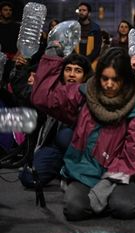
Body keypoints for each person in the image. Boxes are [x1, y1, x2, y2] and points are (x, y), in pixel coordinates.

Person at [31, 47, 135, 221]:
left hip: (118, 176)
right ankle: (93, 196)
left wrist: (105, 185)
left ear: (125, 80)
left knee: (125, 209)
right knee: (74, 210)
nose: (109, 84)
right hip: (83, 172)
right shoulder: (82, 96)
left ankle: (119, 195)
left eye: (115, 79)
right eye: (104, 78)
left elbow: (133, 155)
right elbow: (42, 98)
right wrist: (51, 57)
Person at [14, 53, 93, 188]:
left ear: (85, 76)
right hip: (54, 148)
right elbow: (26, 92)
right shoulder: (52, 93)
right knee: (28, 178)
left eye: (78, 71)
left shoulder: (90, 97)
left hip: (81, 153)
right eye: (68, 70)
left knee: (67, 134)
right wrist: (21, 70)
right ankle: (59, 168)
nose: (72, 74)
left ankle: (69, 171)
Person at [76, 2, 102, 70]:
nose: (81, 12)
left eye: (84, 10)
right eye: (80, 10)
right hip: (76, 61)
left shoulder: (95, 28)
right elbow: (70, 45)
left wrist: (88, 60)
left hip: (91, 62)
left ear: (89, 13)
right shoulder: (74, 27)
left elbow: (97, 47)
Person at [0, 1, 20, 86]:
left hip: (12, 60)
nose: (8, 12)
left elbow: (21, 43)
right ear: (0, 11)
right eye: (5, 10)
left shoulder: (17, 27)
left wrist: (17, 56)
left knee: (9, 85)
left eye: (10, 10)